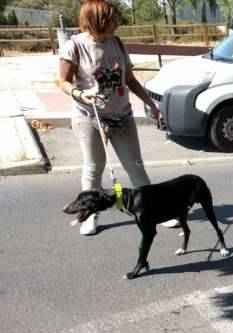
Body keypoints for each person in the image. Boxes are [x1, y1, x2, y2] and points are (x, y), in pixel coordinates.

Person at [58, 0, 177, 235]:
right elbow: (62, 82)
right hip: (90, 117)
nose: (116, 23)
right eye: (111, 19)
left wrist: (152, 105)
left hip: (122, 115)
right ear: (95, 20)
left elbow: (130, 80)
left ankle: (151, 210)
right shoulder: (75, 46)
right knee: (94, 168)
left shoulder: (118, 43)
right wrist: (80, 94)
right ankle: (90, 215)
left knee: (135, 166)